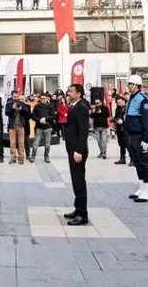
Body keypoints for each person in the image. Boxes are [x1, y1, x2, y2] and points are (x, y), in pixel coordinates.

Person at [62, 84, 91, 225]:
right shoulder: (74, 106)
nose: (68, 93)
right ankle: (77, 208)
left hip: (77, 151)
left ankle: (82, 214)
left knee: (79, 181)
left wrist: (79, 150)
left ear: (78, 94)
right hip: (72, 149)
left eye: (71, 91)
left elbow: (83, 132)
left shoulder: (82, 108)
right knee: (75, 180)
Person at [125, 75, 148, 203]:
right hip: (131, 134)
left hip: (140, 135)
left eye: (130, 84)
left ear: (136, 85)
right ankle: (142, 188)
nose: (128, 86)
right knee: (137, 162)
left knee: (143, 162)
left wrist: (146, 140)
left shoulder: (143, 100)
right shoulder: (131, 98)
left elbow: (147, 121)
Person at [5, 91, 30, 164]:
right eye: (14, 96)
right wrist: (12, 108)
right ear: (12, 96)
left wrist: (21, 109)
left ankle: (21, 157)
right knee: (12, 143)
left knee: (21, 142)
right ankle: (13, 157)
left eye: (17, 96)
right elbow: (6, 113)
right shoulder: (9, 103)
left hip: (21, 125)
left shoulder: (22, 103)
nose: (16, 98)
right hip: (12, 125)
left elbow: (27, 112)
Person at [30, 93, 55, 163]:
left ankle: (46, 157)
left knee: (47, 144)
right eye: (41, 98)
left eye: (44, 98)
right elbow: (32, 116)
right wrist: (39, 120)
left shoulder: (51, 106)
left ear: (47, 98)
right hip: (39, 127)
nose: (42, 100)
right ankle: (33, 156)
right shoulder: (37, 106)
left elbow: (53, 116)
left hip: (47, 127)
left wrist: (46, 118)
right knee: (36, 143)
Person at [113, 97, 130, 165]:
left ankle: (132, 159)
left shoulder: (127, 108)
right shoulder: (118, 108)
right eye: (118, 103)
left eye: (120, 102)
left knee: (127, 144)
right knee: (121, 144)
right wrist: (115, 119)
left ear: (124, 101)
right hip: (119, 128)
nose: (119, 104)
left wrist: (123, 121)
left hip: (125, 128)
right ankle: (122, 158)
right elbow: (116, 116)